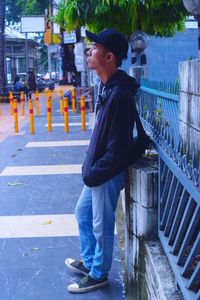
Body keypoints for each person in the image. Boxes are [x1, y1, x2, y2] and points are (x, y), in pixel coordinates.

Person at [65, 28, 144, 293]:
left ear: (109, 56)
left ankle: (98, 273)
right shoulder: (107, 87)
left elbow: (118, 148)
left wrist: (94, 172)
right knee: (82, 213)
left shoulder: (119, 95)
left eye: (94, 47)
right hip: (99, 170)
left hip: (106, 173)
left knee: (101, 223)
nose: (89, 51)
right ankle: (90, 262)